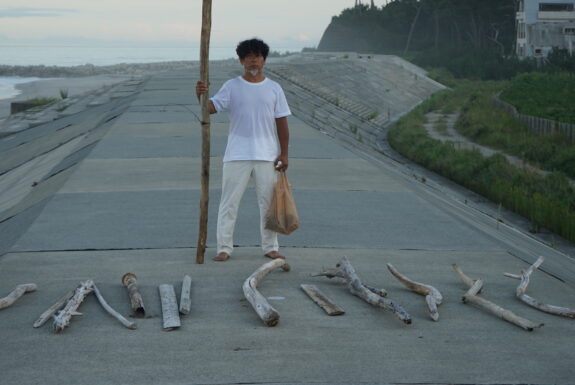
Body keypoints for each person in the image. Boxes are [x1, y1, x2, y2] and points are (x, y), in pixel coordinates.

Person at [195, 38, 291, 262]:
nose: (253, 60)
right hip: (237, 154)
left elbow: (282, 124)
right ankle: (224, 248)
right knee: (229, 203)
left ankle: (270, 246)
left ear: (264, 60)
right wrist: (200, 94)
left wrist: (284, 153)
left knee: (268, 204)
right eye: (248, 56)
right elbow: (210, 108)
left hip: (267, 155)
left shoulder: (274, 88)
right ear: (241, 60)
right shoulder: (232, 86)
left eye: (257, 56)